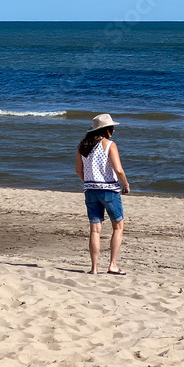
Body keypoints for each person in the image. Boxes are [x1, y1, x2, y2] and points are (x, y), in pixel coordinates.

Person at [74, 113, 131, 275]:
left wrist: (90, 181)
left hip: (90, 191)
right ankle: (112, 265)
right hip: (109, 191)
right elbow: (118, 169)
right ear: (106, 130)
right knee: (118, 227)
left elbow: (78, 170)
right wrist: (125, 184)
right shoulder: (109, 145)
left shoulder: (83, 146)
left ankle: (94, 268)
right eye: (111, 128)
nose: (113, 131)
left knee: (95, 230)